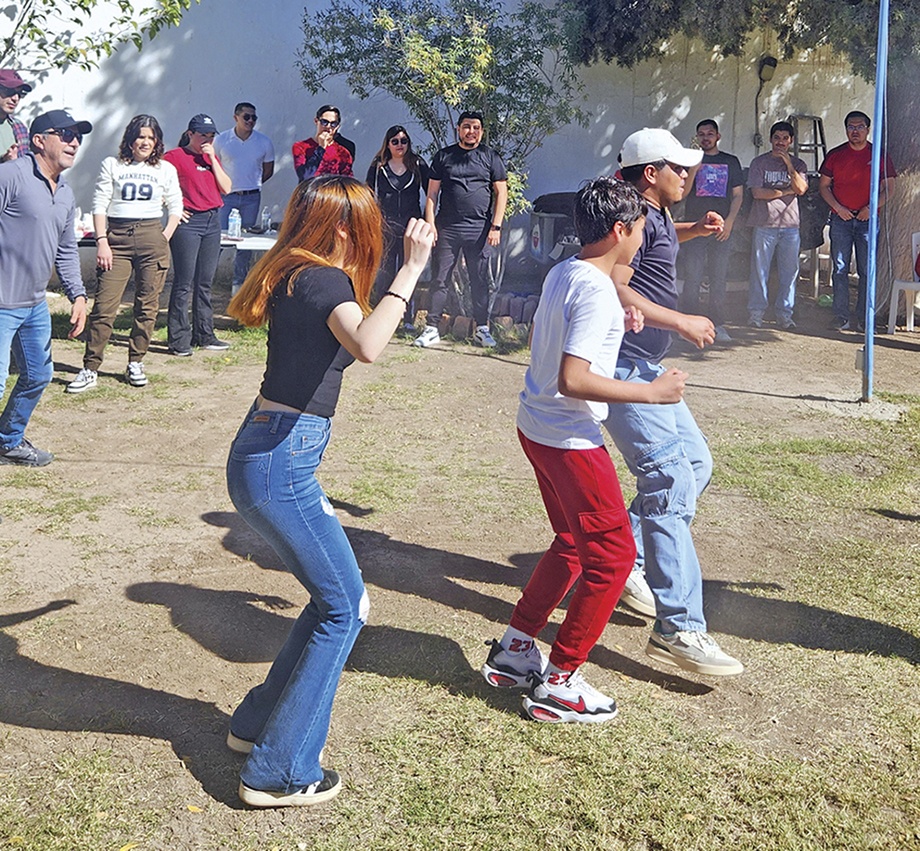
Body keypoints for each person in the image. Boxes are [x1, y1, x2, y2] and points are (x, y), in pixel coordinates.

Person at [224, 175, 434, 806]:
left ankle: (257, 722)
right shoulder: (322, 279)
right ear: (344, 227)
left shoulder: (295, 272)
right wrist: (410, 271)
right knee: (346, 607)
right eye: (368, 223)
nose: (377, 235)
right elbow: (368, 345)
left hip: (270, 453)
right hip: (279, 462)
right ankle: (279, 772)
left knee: (331, 601)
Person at [481, 176, 690, 723]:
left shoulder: (566, 271)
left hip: (537, 427)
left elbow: (553, 339)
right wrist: (652, 392)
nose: (644, 237)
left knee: (572, 544)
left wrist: (618, 321)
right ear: (620, 231)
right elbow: (573, 379)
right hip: (570, 437)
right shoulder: (596, 290)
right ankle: (559, 682)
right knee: (614, 558)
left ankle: (515, 651)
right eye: (640, 227)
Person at [604, 128, 743, 676]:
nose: (687, 175)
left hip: (647, 365)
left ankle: (627, 560)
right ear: (649, 173)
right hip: (624, 366)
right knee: (669, 479)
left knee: (696, 464)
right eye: (677, 168)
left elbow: (658, 244)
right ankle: (678, 626)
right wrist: (680, 320)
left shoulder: (657, 215)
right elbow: (616, 283)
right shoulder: (634, 216)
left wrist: (694, 230)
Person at [66, 115, 182, 393]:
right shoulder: (113, 164)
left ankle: (136, 361)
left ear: (157, 142)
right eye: (141, 136)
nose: (145, 142)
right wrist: (102, 241)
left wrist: (164, 237)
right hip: (116, 238)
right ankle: (90, 367)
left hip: (151, 235)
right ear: (131, 140)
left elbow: (176, 206)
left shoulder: (165, 168)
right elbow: (99, 204)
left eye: (151, 138)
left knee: (147, 306)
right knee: (104, 307)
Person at [0, 109, 90, 466]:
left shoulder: (65, 192)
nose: (74, 142)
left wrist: (78, 295)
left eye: (77, 137)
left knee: (39, 375)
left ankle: (8, 441)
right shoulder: (11, 176)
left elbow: (66, 249)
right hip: (1, 303)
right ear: (39, 140)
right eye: (65, 134)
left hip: (35, 304)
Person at [415, 110, 508, 348]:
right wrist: (430, 224)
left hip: (479, 229)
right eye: (467, 127)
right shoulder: (444, 156)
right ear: (458, 129)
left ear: (482, 131)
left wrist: (496, 226)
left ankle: (482, 329)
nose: (471, 131)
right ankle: (431, 329)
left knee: (479, 280)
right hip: (447, 228)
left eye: (476, 127)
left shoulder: (490, 157)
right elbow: (432, 193)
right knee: (440, 278)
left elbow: (501, 192)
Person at [819, 110, 897, 331]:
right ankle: (841, 316)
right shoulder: (835, 155)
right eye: (851, 127)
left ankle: (864, 318)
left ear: (868, 129)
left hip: (867, 221)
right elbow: (823, 186)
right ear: (846, 130)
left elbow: (890, 188)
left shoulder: (879, 154)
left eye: (860, 127)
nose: (855, 131)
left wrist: (871, 209)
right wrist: (838, 208)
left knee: (866, 270)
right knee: (840, 269)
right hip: (840, 219)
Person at [163, 114, 232, 355]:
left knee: (205, 282)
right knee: (184, 282)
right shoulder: (174, 157)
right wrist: (172, 208)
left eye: (211, 136)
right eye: (203, 135)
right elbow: (157, 183)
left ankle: (204, 334)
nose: (207, 140)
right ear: (190, 134)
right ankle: (178, 339)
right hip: (189, 223)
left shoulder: (211, 157)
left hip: (212, 220)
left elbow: (227, 187)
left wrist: (212, 159)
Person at [679, 119, 744, 343]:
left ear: (718, 136)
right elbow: (682, 193)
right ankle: (688, 324)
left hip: (721, 229)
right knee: (692, 276)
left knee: (719, 277)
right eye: (701, 134)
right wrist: (693, 169)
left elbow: (738, 195)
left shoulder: (730, 161)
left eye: (709, 133)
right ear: (697, 137)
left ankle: (718, 324)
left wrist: (730, 221)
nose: (705, 137)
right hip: (694, 228)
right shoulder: (690, 161)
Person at [746, 121, 808, 329]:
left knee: (789, 273)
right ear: (771, 139)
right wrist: (786, 192)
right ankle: (756, 314)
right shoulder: (759, 162)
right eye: (777, 138)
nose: (780, 142)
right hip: (764, 224)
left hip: (790, 226)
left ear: (791, 141)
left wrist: (789, 165)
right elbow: (757, 193)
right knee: (759, 272)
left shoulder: (799, 164)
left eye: (785, 138)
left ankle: (784, 315)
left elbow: (801, 189)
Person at [366, 124, 430, 321]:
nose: (400, 145)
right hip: (386, 225)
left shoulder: (417, 164)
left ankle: (407, 317)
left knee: (407, 270)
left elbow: (431, 193)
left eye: (404, 141)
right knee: (384, 272)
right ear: (388, 144)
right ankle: (381, 317)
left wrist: (427, 221)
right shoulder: (379, 166)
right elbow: (368, 193)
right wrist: (372, 220)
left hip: (411, 226)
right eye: (395, 141)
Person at [213, 102, 276, 295]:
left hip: (251, 198)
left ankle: (238, 285)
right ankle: (206, 282)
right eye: (246, 117)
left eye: (253, 117)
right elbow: (213, 167)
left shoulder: (263, 142)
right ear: (236, 117)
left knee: (246, 243)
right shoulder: (221, 140)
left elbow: (268, 170)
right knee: (218, 240)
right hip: (227, 197)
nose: (250, 121)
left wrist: (251, 184)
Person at [292, 105, 353, 182]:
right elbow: (306, 176)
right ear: (316, 121)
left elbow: (347, 181)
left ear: (337, 126)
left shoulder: (343, 153)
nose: (328, 127)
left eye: (333, 124)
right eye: (324, 122)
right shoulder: (301, 146)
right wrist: (321, 148)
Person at [0, 69, 31, 162]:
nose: (15, 98)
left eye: (20, 94)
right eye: (9, 91)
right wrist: (4, 162)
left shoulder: (19, 127)